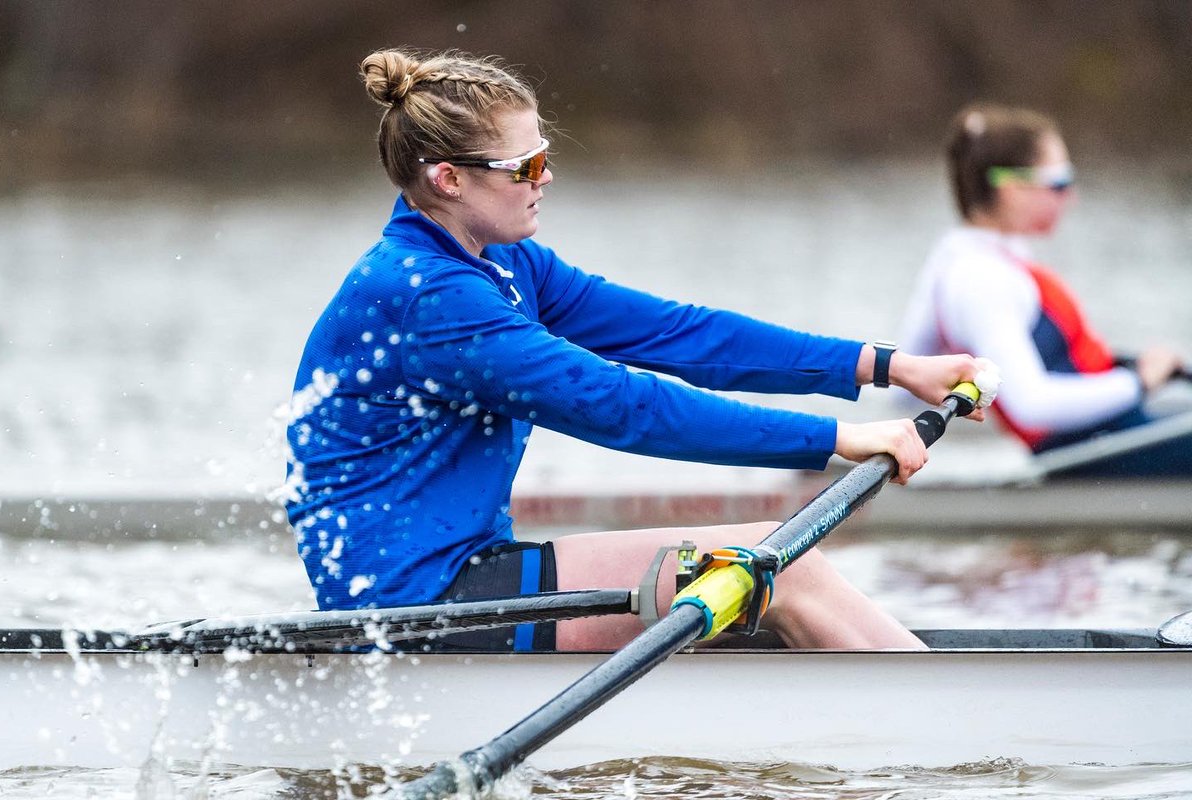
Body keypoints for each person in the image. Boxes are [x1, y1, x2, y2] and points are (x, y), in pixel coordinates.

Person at [282, 47, 988, 654]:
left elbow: (675, 334)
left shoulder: (501, 262)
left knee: (756, 589)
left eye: (545, 158)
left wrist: (888, 366)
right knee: (783, 565)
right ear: (448, 178)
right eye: (524, 165)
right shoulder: (431, 299)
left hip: (465, 568)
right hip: (410, 605)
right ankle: (962, 735)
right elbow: (623, 407)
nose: (545, 177)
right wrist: (839, 438)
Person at [900, 103, 1190, 477]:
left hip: (1107, 435)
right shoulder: (981, 278)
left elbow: (901, 389)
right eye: (1059, 183)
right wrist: (1139, 381)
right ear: (1009, 187)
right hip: (1086, 453)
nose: (1071, 198)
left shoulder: (962, 259)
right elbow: (1031, 405)